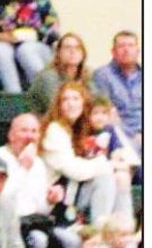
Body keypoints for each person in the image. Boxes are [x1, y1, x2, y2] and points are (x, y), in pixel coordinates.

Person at [0, 112, 80, 248]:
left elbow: (40, 208)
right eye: (24, 131)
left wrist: (51, 200)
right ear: (11, 135)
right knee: (39, 240)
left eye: (34, 131)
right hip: (6, 224)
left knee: (72, 241)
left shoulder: (37, 163)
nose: (30, 136)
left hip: (34, 222)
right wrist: (23, 169)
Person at [40, 83, 126, 225]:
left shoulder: (79, 129)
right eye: (65, 99)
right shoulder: (55, 130)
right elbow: (75, 171)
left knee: (120, 177)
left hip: (71, 192)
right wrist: (107, 163)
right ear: (58, 105)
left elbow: (125, 157)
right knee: (105, 177)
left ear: (83, 103)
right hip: (52, 198)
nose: (71, 104)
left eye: (75, 99)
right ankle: (100, 233)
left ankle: (120, 230)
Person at [92, 31, 142, 149]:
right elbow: (106, 114)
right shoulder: (102, 75)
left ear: (138, 51)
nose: (126, 50)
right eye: (121, 46)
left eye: (131, 45)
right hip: (119, 136)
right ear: (113, 52)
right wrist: (133, 136)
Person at [25, 31, 91, 117]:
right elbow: (59, 109)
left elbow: (97, 103)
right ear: (58, 53)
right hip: (46, 125)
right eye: (67, 47)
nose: (73, 51)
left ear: (83, 54)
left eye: (78, 48)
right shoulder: (47, 77)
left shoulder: (87, 75)